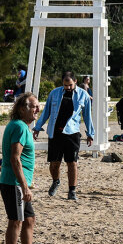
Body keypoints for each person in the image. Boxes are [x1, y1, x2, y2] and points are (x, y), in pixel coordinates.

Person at [0, 92, 51, 244]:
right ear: (22, 109)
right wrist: (24, 186)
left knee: (29, 219)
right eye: (34, 106)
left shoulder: (20, 126)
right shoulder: (20, 127)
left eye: (38, 106)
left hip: (18, 183)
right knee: (16, 221)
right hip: (13, 183)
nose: (38, 109)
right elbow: (15, 159)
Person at [33, 71, 94, 201]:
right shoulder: (54, 93)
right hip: (55, 132)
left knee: (72, 163)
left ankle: (72, 191)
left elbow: (87, 116)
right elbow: (46, 112)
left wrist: (90, 133)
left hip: (72, 133)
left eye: (70, 85)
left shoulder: (83, 95)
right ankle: (56, 181)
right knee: (54, 163)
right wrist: (37, 128)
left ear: (75, 82)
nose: (68, 88)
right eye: (65, 85)